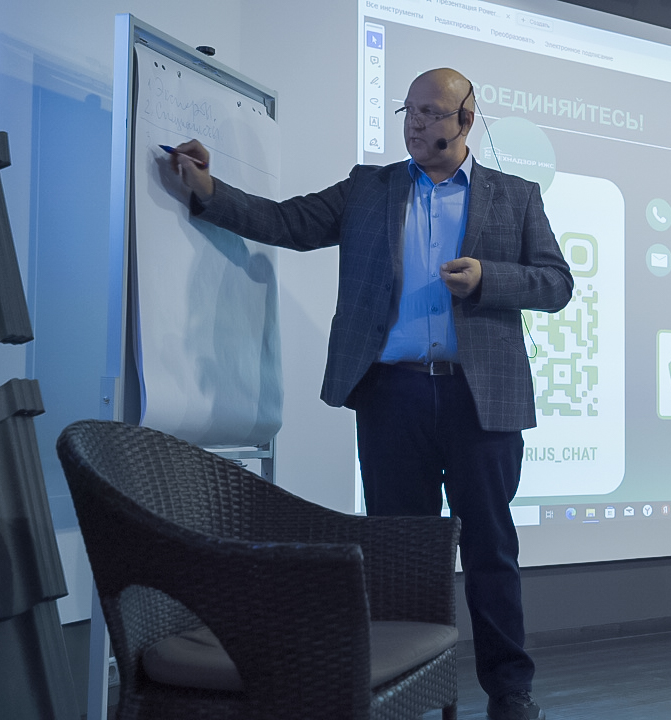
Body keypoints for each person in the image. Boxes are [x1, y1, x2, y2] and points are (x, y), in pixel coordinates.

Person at [170, 67, 571, 720]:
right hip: (393, 398)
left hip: (482, 402)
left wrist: (488, 278)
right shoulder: (369, 189)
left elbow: (556, 284)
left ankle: (510, 693)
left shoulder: (515, 196)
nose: (415, 123)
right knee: (399, 557)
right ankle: (409, 688)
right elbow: (287, 222)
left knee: (492, 552)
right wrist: (209, 191)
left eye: (430, 112)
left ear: (466, 120)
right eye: (408, 110)